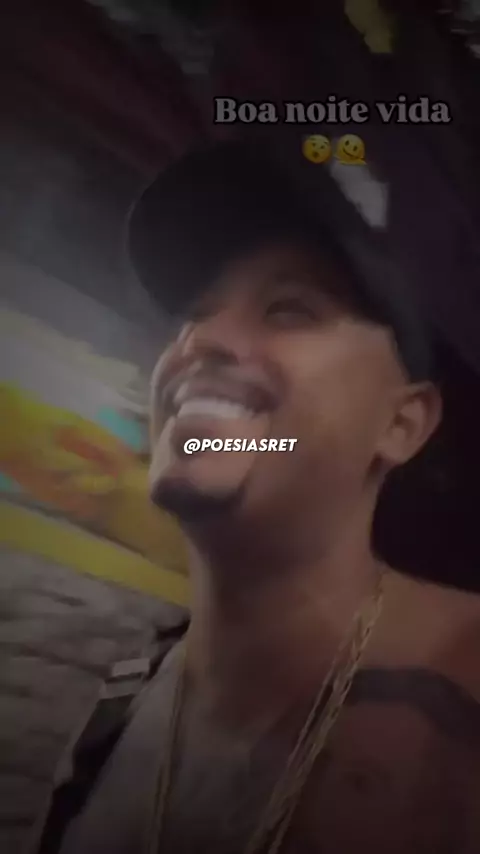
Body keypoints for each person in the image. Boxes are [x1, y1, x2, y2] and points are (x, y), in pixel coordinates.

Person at [52, 141, 480, 854]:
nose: (201, 342)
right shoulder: (121, 703)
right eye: (195, 312)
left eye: (289, 309)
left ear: (401, 423)